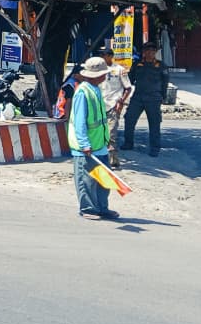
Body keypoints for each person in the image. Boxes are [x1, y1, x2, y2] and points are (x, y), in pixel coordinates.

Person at [69, 56, 119, 220]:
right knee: (87, 180)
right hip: (86, 146)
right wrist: (84, 144)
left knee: (104, 179)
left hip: (99, 144)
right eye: (103, 73)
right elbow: (79, 122)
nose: (105, 76)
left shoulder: (95, 89)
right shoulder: (83, 92)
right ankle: (88, 209)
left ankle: (102, 207)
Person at [125, 41, 169, 157]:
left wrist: (163, 96)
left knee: (154, 123)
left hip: (154, 98)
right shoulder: (137, 64)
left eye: (152, 50)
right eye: (147, 50)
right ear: (144, 52)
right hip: (138, 97)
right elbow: (130, 79)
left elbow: (165, 82)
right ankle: (128, 143)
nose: (150, 52)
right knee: (129, 119)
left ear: (155, 52)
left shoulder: (161, 66)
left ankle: (155, 148)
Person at [98, 44, 132, 169]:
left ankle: (112, 159)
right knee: (99, 132)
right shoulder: (97, 70)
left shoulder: (119, 70)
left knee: (111, 133)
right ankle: (104, 158)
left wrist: (121, 101)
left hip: (113, 104)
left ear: (110, 56)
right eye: (101, 55)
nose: (102, 57)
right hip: (100, 105)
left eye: (104, 55)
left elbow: (128, 88)